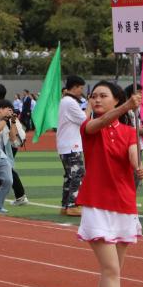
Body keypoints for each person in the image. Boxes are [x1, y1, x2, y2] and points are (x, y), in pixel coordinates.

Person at [76, 81, 143, 287]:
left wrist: (139, 167)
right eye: (93, 96)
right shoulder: (89, 127)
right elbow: (101, 122)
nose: (96, 99)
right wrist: (127, 106)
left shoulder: (130, 132)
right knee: (111, 268)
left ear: (115, 99)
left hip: (124, 204)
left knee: (112, 271)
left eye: (103, 96)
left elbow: (133, 156)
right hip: (96, 203)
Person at [57, 75, 88, 217]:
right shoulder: (70, 102)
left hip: (66, 144)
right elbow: (84, 120)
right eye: (80, 88)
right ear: (74, 87)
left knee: (70, 176)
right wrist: (90, 106)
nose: (81, 91)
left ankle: (65, 205)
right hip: (72, 145)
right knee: (78, 174)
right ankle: (73, 205)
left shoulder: (65, 101)